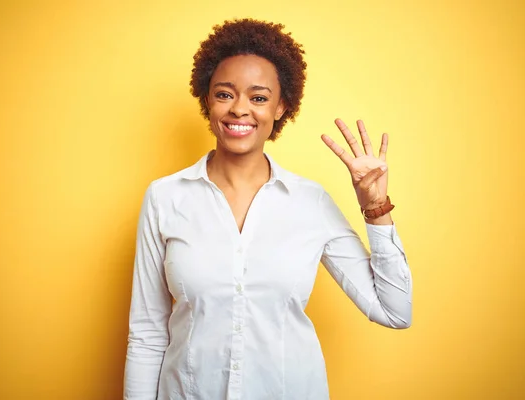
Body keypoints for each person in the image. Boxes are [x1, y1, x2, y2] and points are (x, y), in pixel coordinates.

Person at [123, 18, 412, 400]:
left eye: (258, 98)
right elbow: (147, 334)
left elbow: (394, 311)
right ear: (207, 100)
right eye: (224, 94)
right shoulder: (165, 197)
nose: (239, 109)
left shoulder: (310, 202)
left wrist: (376, 206)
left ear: (280, 107)